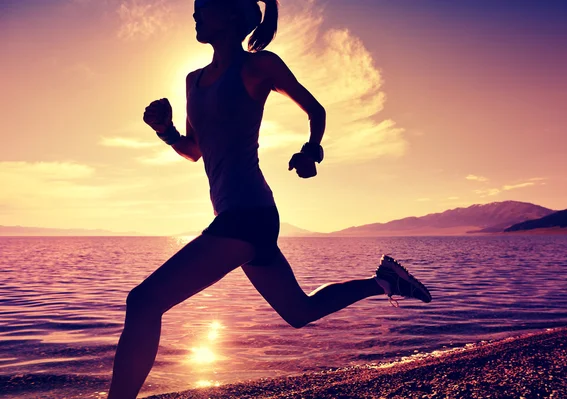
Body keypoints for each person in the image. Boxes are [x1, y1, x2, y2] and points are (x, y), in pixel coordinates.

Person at [107, 0, 432, 397]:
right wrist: (165, 130)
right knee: (300, 311)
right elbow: (194, 150)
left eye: (203, 6)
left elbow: (315, 109)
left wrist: (311, 148)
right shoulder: (192, 81)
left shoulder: (258, 66)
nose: (195, 14)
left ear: (231, 14)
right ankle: (383, 281)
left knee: (143, 301)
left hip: (248, 213)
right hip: (239, 214)